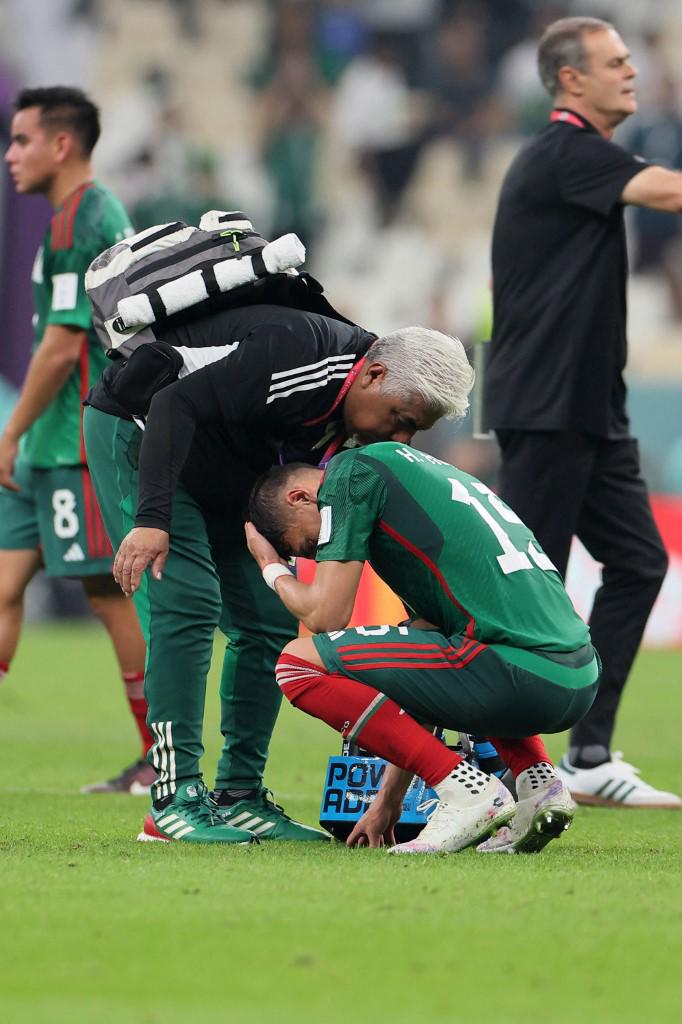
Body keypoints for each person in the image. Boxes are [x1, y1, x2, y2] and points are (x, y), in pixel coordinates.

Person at [84, 320, 474, 843]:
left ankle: (239, 795)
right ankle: (173, 799)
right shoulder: (304, 356)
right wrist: (152, 518)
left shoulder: (352, 416)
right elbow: (175, 404)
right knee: (190, 600)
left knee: (268, 617)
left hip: (221, 461)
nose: (399, 438)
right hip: (142, 430)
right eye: (400, 419)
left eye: (413, 430)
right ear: (374, 374)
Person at [483, 17, 682, 809]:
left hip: (592, 408)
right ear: (571, 81)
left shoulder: (583, 158)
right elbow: (668, 191)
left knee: (638, 563)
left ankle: (589, 755)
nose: (633, 73)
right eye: (616, 63)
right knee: (528, 591)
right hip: (546, 406)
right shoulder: (562, 151)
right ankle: (489, 764)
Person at [245, 441, 599, 854]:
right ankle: (538, 783)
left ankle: (470, 793)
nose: (320, 553)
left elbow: (326, 617)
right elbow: (421, 681)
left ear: (301, 497)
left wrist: (271, 567)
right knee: (444, 653)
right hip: (578, 675)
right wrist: (388, 801)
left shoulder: (351, 475)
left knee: (297, 665)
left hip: (517, 673)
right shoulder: (420, 484)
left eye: (308, 547)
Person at [0, 86, 153, 794]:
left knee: (108, 592)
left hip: (74, 439)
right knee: (4, 587)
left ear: (62, 145)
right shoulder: (77, 215)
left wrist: (12, 431)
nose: (10, 155)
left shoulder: (82, 219)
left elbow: (62, 347)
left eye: (22, 140)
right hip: (49, 445)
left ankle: (164, 755)